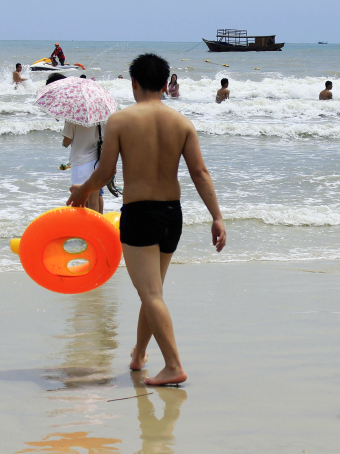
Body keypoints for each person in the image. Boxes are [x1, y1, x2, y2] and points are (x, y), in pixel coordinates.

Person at [67, 53, 226, 386]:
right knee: (152, 290)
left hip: (140, 214)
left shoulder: (121, 121)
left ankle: (173, 365)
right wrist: (217, 217)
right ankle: (139, 355)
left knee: (150, 293)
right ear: (167, 84)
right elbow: (199, 172)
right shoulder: (182, 123)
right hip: (172, 214)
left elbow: (106, 171)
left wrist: (82, 191)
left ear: (134, 82)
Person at [62, 119, 105, 213]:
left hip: (80, 163)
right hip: (97, 161)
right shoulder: (100, 116)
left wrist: (65, 125)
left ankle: (86, 227)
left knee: (82, 204)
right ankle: (96, 227)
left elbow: (66, 142)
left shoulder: (72, 117)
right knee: (94, 202)